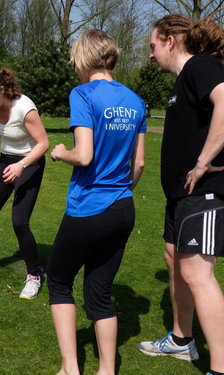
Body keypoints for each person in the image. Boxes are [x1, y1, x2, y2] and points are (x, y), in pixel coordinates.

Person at [46, 30, 146, 375]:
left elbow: (84, 155)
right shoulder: (135, 99)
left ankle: (70, 369)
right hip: (123, 208)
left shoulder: (83, 94)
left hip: (89, 207)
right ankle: (107, 371)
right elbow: (140, 164)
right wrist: (119, 188)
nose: (74, 67)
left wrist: (61, 153)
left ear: (85, 58)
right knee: (99, 291)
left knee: (58, 280)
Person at [138, 14, 224, 375]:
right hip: (180, 196)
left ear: (170, 39)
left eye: (153, 45)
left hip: (204, 192)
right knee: (174, 259)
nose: (150, 54)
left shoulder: (200, 66)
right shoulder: (183, 81)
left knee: (196, 273)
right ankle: (181, 339)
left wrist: (203, 161)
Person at [0, 68, 49, 299]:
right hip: (6, 161)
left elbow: (43, 143)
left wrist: (22, 165)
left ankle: (33, 276)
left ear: (2, 90)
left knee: (19, 221)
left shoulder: (25, 108)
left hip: (30, 162)